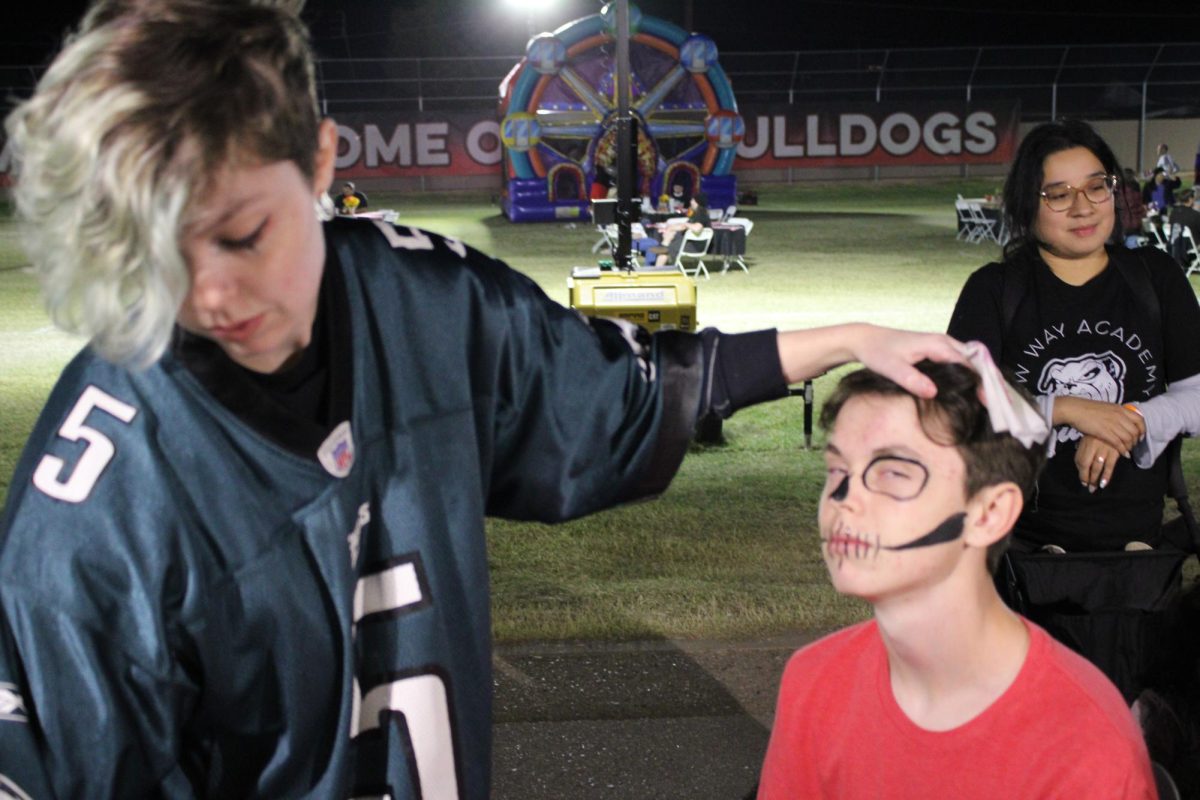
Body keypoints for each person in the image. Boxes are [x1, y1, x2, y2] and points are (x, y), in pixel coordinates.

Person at [0, 1, 965, 797]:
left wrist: (846, 339)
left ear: (324, 163)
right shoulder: (89, 512)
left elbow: (621, 399)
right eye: (159, 252)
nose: (208, 294)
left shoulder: (418, 297)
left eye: (246, 234)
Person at [756, 359, 1156, 799]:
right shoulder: (814, 682)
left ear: (989, 514)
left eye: (892, 473)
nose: (843, 501)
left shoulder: (1082, 742)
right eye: (837, 471)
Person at [949, 119, 1200, 554]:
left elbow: (1196, 396)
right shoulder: (994, 290)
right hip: (1022, 547)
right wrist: (1064, 408)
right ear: (1028, 204)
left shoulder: (1155, 278)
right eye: (1059, 195)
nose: (1083, 208)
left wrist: (1131, 418)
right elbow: (955, 414)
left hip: (1139, 549)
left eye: (1096, 187)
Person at [656, 190, 711, 267]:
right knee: (669, 237)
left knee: (667, 247)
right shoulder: (696, 213)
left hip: (694, 247)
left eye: (692, 200)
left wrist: (685, 224)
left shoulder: (701, 213)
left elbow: (697, 228)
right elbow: (683, 227)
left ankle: (658, 267)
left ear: (697, 202)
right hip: (690, 243)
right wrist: (670, 228)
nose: (690, 202)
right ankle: (657, 265)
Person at [1116, 166, 1148, 248]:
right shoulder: (1135, 190)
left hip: (1120, 225)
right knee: (1133, 253)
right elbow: (1137, 208)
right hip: (1133, 226)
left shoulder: (1117, 190)